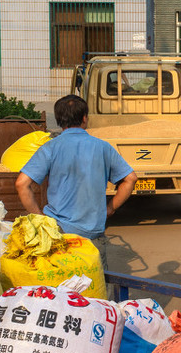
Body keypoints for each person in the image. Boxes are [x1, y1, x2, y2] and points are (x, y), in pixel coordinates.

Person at [15, 95, 137, 267]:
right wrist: (110, 208)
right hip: (92, 234)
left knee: (62, 290)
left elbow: (22, 184)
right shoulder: (103, 147)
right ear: (84, 118)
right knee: (96, 289)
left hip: (58, 234)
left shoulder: (50, 147)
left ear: (59, 120)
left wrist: (40, 219)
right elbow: (130, 178)